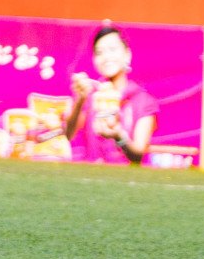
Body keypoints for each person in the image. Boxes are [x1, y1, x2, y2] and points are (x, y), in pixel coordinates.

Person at [63, 25, 159, 165]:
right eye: (100, 52)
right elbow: (68, 134)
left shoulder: (143, 101)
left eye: (112, 49)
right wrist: (79, 102)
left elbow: (138, 154)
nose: (106, 57)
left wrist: (118, 136)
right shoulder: (89, 95)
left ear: (127, 55)